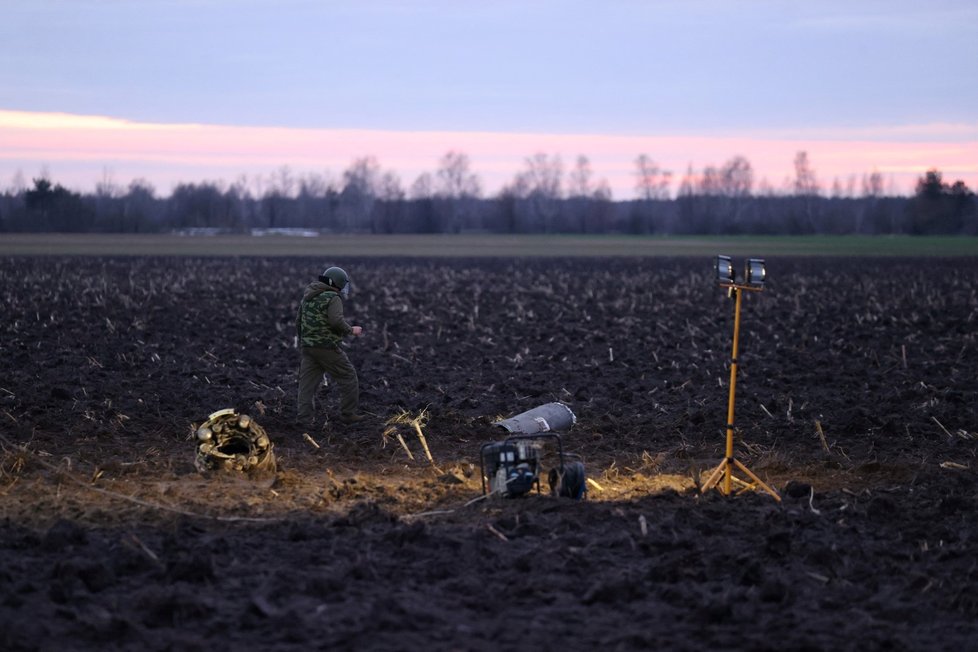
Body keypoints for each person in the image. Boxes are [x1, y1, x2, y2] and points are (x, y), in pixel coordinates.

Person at [295, 266, 366, 426]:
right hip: (326, 347)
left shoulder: (308, 296)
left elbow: (298, 321)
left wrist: (304, 341)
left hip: (308, 347)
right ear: (338, 283)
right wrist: (351, 330)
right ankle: (348, 414)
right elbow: (335, 320)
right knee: (348, 376)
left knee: (306, 385)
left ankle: (304, 420)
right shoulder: (333, 297)